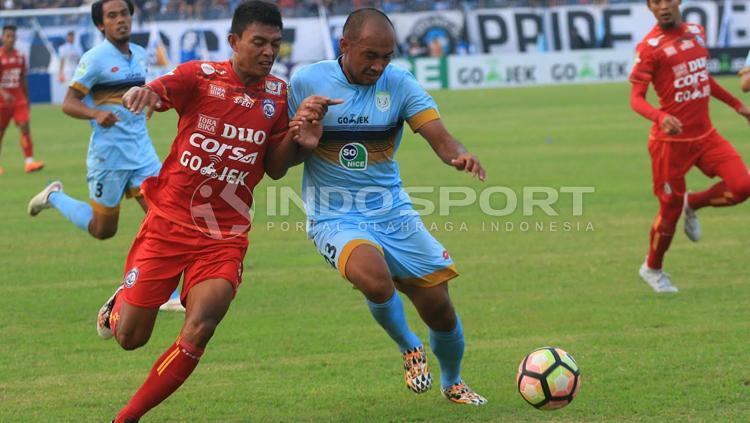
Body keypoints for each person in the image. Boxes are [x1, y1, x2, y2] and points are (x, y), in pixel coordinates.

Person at [94, 2, 332, 421]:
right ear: (234, 41)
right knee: (131, 338)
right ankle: (119, 307)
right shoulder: (199, 77)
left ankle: (125, 417)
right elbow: (162, 89)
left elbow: (275, 167)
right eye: (258, 42)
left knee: (201, 326)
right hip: (167, 224)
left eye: (275, 44)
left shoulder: (278, 95)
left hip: (224, 237)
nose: (268, 52)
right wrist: (147, 91)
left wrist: (299, 140)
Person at [285, 8, 487, 405]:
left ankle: (453, 381)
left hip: (393, 212)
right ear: (345, 46)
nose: (379, 65)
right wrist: (301, 135)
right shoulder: (307, 81)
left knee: (440, 309)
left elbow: (443, 140)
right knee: (373, 277)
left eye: (387, 57)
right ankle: (410, 347)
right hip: (334, 215)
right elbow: (282, 158)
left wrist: (460, 156)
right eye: (370, 55)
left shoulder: (399, 84)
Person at [27, 0, 183, 311]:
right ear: (101, 25)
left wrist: (149, 102)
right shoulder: (95, 59)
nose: (120, 20)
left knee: (166, 219)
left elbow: (142, 93)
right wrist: (95, 114)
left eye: (124, 14)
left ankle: (169, 295)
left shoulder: (140, 55)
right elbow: (69, 102)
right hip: (108, 158)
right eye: (112, 16)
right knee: (103, 230)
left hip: (142, 155)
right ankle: (53, 196)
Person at [630, 0, 750, 293]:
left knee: (742, 186)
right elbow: (636, 98)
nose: (663, 7)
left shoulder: (696, 32)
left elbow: (702, 78)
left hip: (706, 136)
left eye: (666, 0)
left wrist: (738, 105)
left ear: (678, 1)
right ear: (650, 8)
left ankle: (692, 203)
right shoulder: (649, 48)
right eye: (655, 2)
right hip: (669, 144)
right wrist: (660, 116)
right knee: (668, 209)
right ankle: (653, 269)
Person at [0, 24, 44, 175]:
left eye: (13, 36)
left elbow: (23, 79)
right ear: (2, 37)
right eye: (8, 36)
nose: (11, 39)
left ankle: (29, 162)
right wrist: (3, 93)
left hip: (18, 99)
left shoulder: (20, 56)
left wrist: (27, 98)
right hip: (2, 102)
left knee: (25, 126)